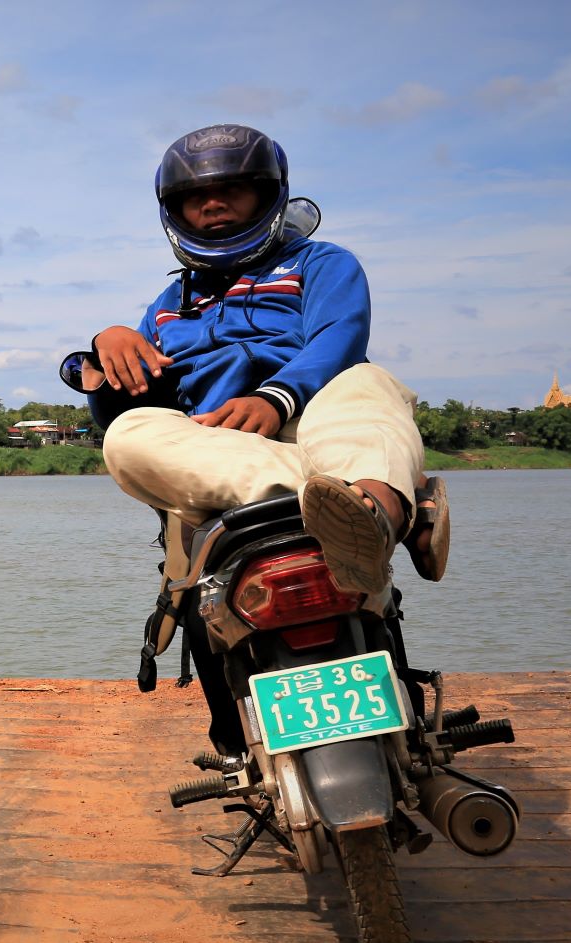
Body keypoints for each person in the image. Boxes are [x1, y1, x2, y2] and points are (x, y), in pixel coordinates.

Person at [65, 124, 446, 595]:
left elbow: (339, 336)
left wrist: (274, 398)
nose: (213, 204)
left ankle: (377, 508)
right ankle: (374, 498)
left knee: (363, 380)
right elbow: (137, 391)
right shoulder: (166, 305)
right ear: (175, 211)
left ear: (267, 195)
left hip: (320, 415)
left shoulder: (319, 262)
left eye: (233, 189)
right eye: (195, 196)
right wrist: (109, 341)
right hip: (224, 443)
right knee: (126, 437)